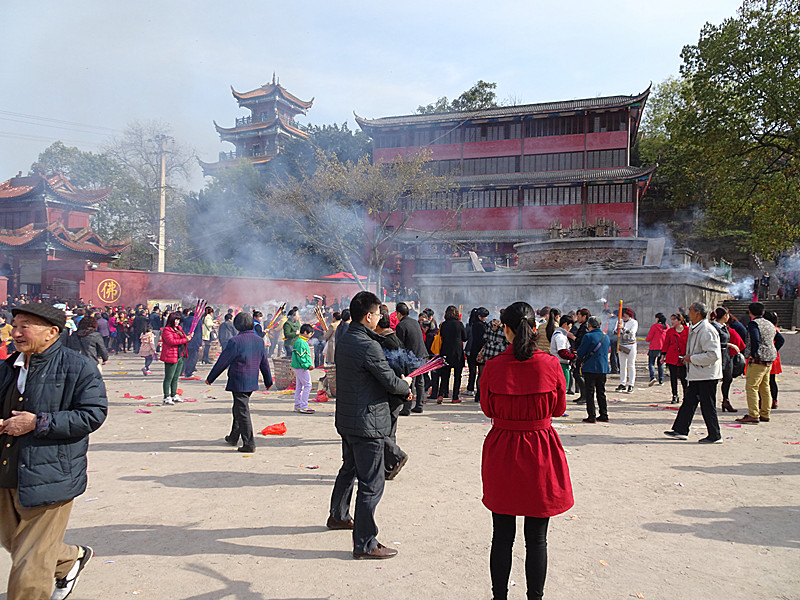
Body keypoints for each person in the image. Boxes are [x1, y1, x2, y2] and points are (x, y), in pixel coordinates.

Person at [0, 303, 107, 599]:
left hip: (51, 474)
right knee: (15, 542)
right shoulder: (8, 367)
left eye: (25, 326)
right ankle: (69, 558)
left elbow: (93, 414)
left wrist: (38, 423)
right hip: (8, 471)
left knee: (29, 564)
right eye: (15, 325)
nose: (16, 332)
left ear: (52, 332)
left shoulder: (78, 366)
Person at [479, 301, 574, 600]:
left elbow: (487, 408)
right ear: (535, 328)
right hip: (540, 450)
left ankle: (499, 597)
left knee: (501, 537)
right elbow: (559, 409)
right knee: (537, 539)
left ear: (505, 329)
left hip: (503, 449)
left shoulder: (493, 367)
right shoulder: (551, 364)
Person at [327, 291, 411, 559]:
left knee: (348, 468)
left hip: (349, 419)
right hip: (367, 422)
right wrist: (405, 386)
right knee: (371, 484)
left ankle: (338, 515)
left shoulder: (347, 337)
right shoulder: (368, 345)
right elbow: (388, 380)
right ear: (368, 316)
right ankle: (365, 543)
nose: (379, 318)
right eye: (377, 314)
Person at [206, 311, 273, 453]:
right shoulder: (258, 340)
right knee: (238, 407)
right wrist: (268, 380)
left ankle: (249, 443)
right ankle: (233, 437)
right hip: (251, 380)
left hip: (239, 380)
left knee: (242, 410)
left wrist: (210, 378)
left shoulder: (235, 341)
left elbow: (222, 362)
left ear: (237, 325)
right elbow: (264, 363)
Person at [665, 302, 723, 444]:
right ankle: (681, 429)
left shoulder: (707, 330)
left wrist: (692, 358)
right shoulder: (695, 328)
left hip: (707, 374)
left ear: (697, 313)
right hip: (697, 373)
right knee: (689, 402)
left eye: (690, 311)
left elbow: (713, 355)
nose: (688, 313)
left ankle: (715, 435)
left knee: (708, 405)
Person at [370, 312, 409, 479]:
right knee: (390, 429)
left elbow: (388, 372)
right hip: (399, 389)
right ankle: (389, 465)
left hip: (392, 391)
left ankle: (395, 456)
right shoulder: (395, 339)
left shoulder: (384, 342)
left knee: (382, 430)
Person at [737, 302, 783, 424]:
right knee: (765, 387)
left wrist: (754, 353)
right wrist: (772, 350)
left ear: (750, 312)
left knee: (751, 387)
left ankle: (753, 414)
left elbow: (755, 339)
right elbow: (780, 339)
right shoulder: (770, 324)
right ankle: (765, 413)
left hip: (758, 360)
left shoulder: (754, 324)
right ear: (763, 312)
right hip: (769, 359)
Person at [394, 302, 428, 414]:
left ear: (399, 313)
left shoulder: (401, 326)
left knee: (410, 381)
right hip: (421, 354)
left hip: (411, 357)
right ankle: (419, 405)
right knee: (420, 381)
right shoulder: (414, 322)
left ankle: (407, 408)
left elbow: (400, 345)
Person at [576, 316, 610, 423]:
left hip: (590, 368)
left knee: (590, 393)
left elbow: (581, 353)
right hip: (603, 368)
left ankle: (592, 416)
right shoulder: (606, 337)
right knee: (601, 392)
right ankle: (604, 414)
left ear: (589, 325)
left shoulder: (588, 336)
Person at [710, 307, 742, 413]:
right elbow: (711, 343)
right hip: (716, 357)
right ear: (724, 316)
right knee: (713, 381)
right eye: (727, 315)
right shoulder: (713, 327)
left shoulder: (724, 327)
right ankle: (711, 403)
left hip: (726, 357)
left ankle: (725, 400)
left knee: (728, 379)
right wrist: (728, 344)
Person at [436, 305, 467, 404]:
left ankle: (441, 394)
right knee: (457, 376)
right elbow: (465, 337)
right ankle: (455, 397)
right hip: (457, 352)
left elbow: (441, 336)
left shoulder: (443, 324)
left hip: (445, 350)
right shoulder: (459, 324)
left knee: (445, 375)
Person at [160, 312, 191, 405]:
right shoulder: (166, 330)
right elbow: (171, 341)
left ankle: (174, 394)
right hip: (171, 355)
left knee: (176, 377)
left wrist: (188, 337)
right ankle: (166, 396)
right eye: (175, 320)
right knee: (169, 377)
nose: (177, 322)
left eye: (178, 320)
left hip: (180, 354)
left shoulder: (179, 329)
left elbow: (183, 338)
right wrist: (186, 339)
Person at [663, 313, 689, 404]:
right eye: (672, 320)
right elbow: (666, 344)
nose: (672, 322)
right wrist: (663, 356)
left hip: (683, 357)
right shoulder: (670, 331)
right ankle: (675, 395)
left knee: (684, 378)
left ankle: (686, 395)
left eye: (674, 320)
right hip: (672, 357)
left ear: (680, 320)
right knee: (673, 378)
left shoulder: (688, 331)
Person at [291, 324, 315, 414]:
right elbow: (301, 357)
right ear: (305, 332)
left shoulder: (300, 341)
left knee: (299, 386)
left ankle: (297, 405)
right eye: (310, 334)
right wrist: (307, 365)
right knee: (308, 385)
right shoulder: (301, 342)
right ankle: (304, 406)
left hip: (298, 366)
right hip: (301, 367)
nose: (310, 336)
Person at [763, 311, 783, 410]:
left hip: (769, 356)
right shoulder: (775, 328)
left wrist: (773, 349)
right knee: (772, 380)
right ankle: (774, 400)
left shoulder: (770, 329)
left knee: (766, 380)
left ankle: (766, 401)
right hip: (774, 356)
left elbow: (781, 340)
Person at [549, 315, 575, 390]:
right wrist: (574, 356)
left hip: (560, 364)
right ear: (565, 324)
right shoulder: (560, 336)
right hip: (561, 364)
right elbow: (562, 353)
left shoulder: (560, 334)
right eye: (570, 326)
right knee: (562, 389)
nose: (570, 329)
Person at [616, 308, 638, 393]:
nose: (623, 318)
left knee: (631, 365)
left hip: (631, 345)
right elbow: (615, 331)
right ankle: (622, 383)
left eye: (625, 316)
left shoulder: (634, 322)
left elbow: (632, 333)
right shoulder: (619, 321)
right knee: (622, 365)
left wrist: (623, 328)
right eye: (623, 316)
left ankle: (631, 384)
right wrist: (617, 329)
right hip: (622, 345)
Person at [645, 313, 667, 386]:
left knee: (651, 363)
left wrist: (647, 340)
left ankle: (652, 377)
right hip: (663, 348)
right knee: (660, 363)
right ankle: (661, 380)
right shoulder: (666, 327)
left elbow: (649, 337)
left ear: (657, 319)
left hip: (654, 347)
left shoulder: (654, 326)